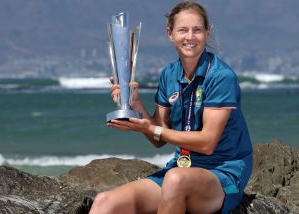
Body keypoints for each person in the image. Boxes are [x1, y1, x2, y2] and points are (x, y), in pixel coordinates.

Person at [89, 1, 252, 213]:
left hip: (221, 174)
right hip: (181, 168)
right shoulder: (169, 74)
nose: (190, 37)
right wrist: (134, 103)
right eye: (183, 30)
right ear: (170, 34)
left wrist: (152, 129)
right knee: (105, 202)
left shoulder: (221, 77)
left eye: (197, 30)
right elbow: (158, 137)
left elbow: (207, 143)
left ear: (207, 33)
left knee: (175, 180)